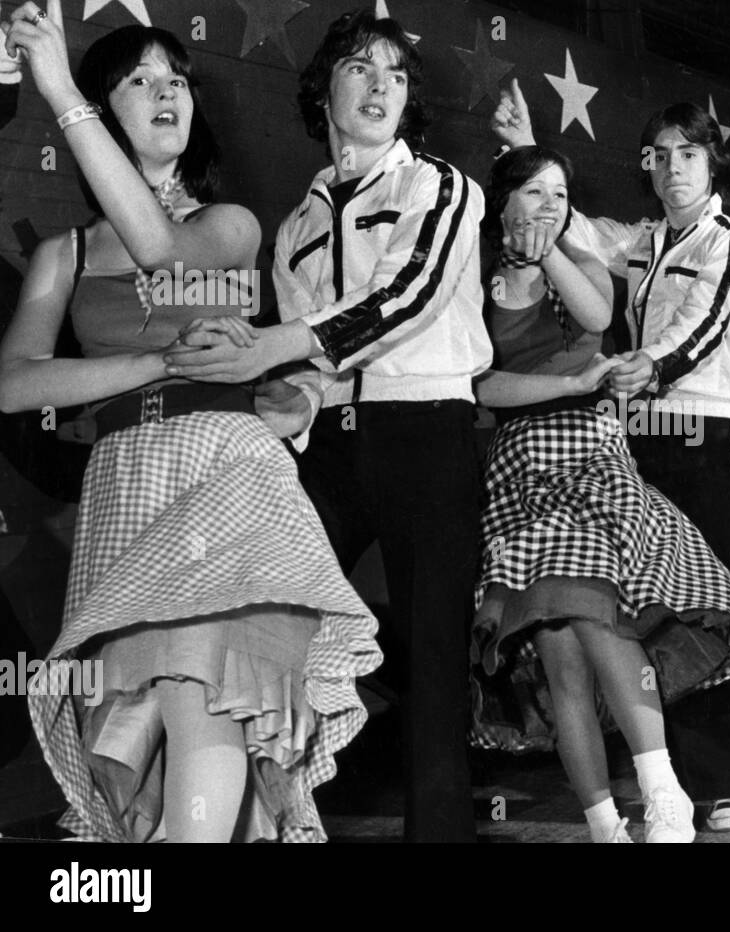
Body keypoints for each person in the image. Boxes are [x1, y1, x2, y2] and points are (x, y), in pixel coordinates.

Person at [0, 5, 380, 842]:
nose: (165, 92)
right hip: (125, 482)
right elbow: (16, 382)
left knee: (202, 684)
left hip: (225, 466)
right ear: (103, 111)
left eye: (175, 79)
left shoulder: (230, 223)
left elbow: (165, 259)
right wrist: (147, 365)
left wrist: (58, 90)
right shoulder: (60, 252)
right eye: (138, 80)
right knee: (151, 715)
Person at [164, 9, 488, 841]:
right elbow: (312, 359)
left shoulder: (440, 187)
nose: (382, 86)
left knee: (431, 653)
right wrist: (282, 395)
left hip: (427, 432)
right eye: (359, 69)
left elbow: (405, 296)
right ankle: (238, 821)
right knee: (269, 619)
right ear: (324, 92)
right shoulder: (297, 224)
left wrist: (276, 342)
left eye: (398, 74)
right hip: (334, 446)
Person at [470, 146, 730, 841]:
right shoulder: (471, 278)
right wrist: (565, 385)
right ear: (503, 200)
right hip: (519, 470)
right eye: (535, 192)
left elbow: (594, 308)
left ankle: (665, 792)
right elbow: (478, 388)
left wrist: (546, 249)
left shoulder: (579, 264)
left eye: (561, 193)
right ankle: (605, 825)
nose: (551, 205)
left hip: (592, 457)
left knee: (597, 619)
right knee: (558, 652)